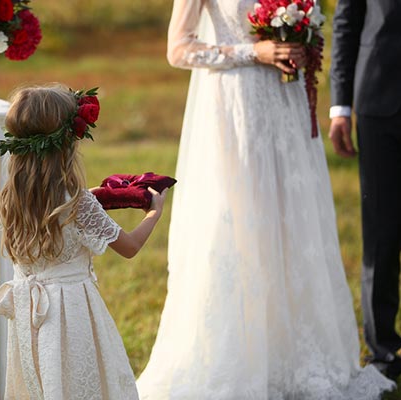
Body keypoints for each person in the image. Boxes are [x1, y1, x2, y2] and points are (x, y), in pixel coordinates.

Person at [136, 0, 395, 398]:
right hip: (234, 108)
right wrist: (253, 52)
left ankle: (295, 355)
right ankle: (242, 355)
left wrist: (300, 43)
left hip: (285, 106)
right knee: (242, 225)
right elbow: (178, 48)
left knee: (293, 226)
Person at [0, 84, 167, 400]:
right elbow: (129, 247)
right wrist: (154, 212)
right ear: (67, 145)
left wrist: (96, 197)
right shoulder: (78, 204)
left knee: (43, 381)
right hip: (71, 314)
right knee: (78, 381)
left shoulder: (11, 196)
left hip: (31, 316)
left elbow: (62, 211)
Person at [329, 0, 401, 378]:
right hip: (381, 103)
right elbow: (346, 23)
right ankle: (385, 355)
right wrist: (340, 105)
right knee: (382, 234)